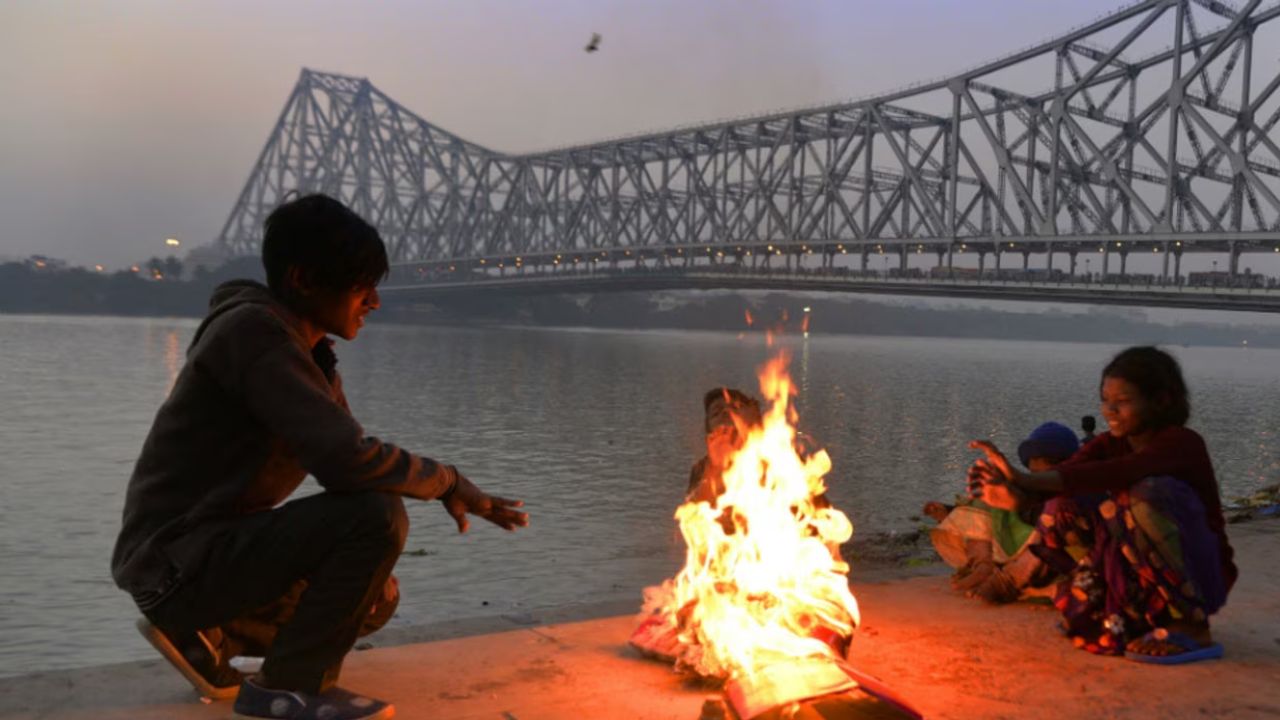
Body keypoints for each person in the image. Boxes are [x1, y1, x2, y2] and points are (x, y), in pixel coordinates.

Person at [111, 193, 529, 720]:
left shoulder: (305, 352)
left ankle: (209, 636)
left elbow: (348, 461)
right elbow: (347, 462)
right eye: (361, 286)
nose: (374, 302)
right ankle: (287, 687)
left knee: (376, 600)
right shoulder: (254, 334)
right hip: (172, 566)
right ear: (305, 280)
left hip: (190, 560)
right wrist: (447, 481)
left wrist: (414, 512)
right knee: (376, 517)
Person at [969, 346, 1236, 664]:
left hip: (1202, 573)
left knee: (1145, 494)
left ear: (1161, 400)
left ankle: (1193, 626)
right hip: (1143, 569)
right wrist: (1017, 496)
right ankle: (1131, 614)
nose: (1110, 410)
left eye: (1122, 401)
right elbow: (1071, 474)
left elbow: (1120, 471)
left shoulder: (1181, 443)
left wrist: (1023, 478)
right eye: (1106, 400)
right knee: (1064, 507)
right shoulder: (1110, 443)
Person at [926, 422, 1078, 603]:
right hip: (1013, 544)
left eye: (1044, 466)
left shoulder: (1074, 492)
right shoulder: (1029, 486)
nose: (1036, 472)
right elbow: (1018, 497)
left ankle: (1003, 582)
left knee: (1048, 539)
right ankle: (982, 566)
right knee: (984, 501)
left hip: (1042, 554)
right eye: (1033, 469)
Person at [686, 387, 763, 505]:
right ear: (709, 428)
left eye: (734, 408)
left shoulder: (777, 454)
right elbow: (693, 508)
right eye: (716, 413)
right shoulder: (702, 468)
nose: (726, 412)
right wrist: (716, 469)